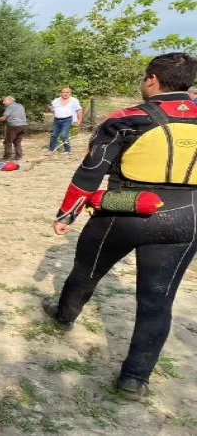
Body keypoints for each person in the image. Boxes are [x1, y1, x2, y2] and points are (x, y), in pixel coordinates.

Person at [43, 53, 197, 399]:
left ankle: (64, 315)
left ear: (152, 79)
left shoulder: (129, 118)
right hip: (187, 214)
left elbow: (90, 171)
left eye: (145, 78)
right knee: (158, 300)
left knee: (88, 268)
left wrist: (67, 214)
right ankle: (134, 379)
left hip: (124, 210)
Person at [0, 96, 27, 160]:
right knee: (17, 142)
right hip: (24, 125)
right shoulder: (20, 105)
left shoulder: (10, 107)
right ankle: (18, 156)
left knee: (7, 142)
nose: (3, 102)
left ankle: (6, 157)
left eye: (5, 101)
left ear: (10, 100)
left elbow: (3, 118)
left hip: (14, 126)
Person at [47, 87, 83, 155]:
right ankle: (51, 150)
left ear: (70, 93)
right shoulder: (56, 100)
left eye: (67, 92)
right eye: (64, 92)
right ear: (61, 93)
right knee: (54, 135)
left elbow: (79, 110)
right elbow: (52, 109)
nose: (65, 94)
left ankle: (67, 150)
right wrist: (50, 109)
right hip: (57, 120)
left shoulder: (74, 100)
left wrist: (79, 120)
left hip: (67, 119)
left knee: (64, 134)